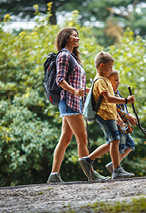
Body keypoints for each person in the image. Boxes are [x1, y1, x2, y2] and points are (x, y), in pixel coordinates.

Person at [47, 27, 107, 183]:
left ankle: (54, 175)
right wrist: (75, 91)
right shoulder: (64, 56)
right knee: (82, 138)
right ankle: (91, 174)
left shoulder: (72, 56)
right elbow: (60, 80)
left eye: (77, 35)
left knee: (66, 138)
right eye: (74, 35)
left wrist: (88, 90)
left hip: (72, 102)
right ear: (66, 38)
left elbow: (74, 82)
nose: (77, 38)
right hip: (69, 102)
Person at [79, 51, 135, 180]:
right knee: (114, 140)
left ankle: (88, 160)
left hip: (109, 115)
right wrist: (126, 100)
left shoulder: (105, 80)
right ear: (102, 66)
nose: (111, 70)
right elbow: (109, 99)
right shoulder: (100, 81)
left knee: (113, 141)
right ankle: (116, 169)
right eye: (110, 67)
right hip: (104, 115)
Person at [105, 70, 137, 175]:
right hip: (119, 126)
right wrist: (128, 117)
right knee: (120, 147)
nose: (118, 82)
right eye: (115, 80)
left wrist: (130, 115)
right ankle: (115, 166)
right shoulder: (110, 95)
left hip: (125, 126)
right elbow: (117, 110)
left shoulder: (117, 93)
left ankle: (114, 163)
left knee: (130, 145)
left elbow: (123, 108)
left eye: (119, 80)